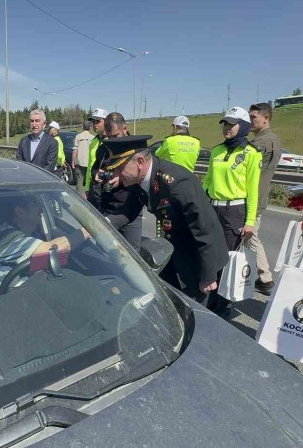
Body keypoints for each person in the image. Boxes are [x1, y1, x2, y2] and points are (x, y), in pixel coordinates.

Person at [104, 135, 229, 303]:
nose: (116, 174)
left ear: (140, 162)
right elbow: (128, 211)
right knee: (170, 302)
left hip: (198, 255)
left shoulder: (177, 183)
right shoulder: (139, 180)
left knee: (193, 307)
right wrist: (101, 224)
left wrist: (208, 275)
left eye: (120, 168)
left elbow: (205, 228)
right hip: (171, 248)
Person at [202, 107, 262, 317]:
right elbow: (208, 180)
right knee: (210, 254)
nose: (227, 128)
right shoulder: (217, 151)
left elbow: (253, 191)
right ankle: (210, 298)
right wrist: (201, 200)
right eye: (225, 124)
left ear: (243, 126)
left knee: (227, 259)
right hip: (213, 207)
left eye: (232, 124)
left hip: (234, 210)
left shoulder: (252, 153)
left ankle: (223, 304)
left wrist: (250, 221)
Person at [0, 195, 91, 298]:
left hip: (8, 297)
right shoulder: (7, 237)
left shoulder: (9, 231)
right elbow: (53, 249)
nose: (41, 207)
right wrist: (90, 228)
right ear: (20, 212)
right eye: (35, 202)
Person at [91, 113, 144, 250]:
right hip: (107, 207)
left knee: (132, 253)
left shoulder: (137, 147)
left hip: (130, 209)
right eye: (108, 137)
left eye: (115, 136)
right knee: (106, 251)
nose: (112, 141)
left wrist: (122, 178)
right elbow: (95, 168)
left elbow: (143, 174)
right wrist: (96, 174)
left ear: (124, 128)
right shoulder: (103, 148)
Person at [246, 103, 282, 296]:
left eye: (253, 117)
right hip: (259, 196)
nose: (250, 121)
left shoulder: (263, 142)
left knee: (250, 237)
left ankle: (265, 278)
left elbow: (246, 168)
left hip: (253, 197)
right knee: (249, 237)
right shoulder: (270, 139)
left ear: (266, 118)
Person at [85, 108, 109, 193]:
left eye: (98, 121)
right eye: (93, 122)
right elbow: (89, 166)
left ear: (106, 122)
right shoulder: (93, 141)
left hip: (105, 185)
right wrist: (87, 188)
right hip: (93, 184)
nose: (95, 124)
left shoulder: (111, 141)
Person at [73, 121, 94, 196]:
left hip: (80, 162)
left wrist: (73, 161)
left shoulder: (78, 137)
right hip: (89, 162)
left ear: (82, 127)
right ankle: (89, 196)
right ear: (90, 128)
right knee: (90, 180)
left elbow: (75, 150)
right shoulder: (93, 138)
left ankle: (79, 196)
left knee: (79, 180)